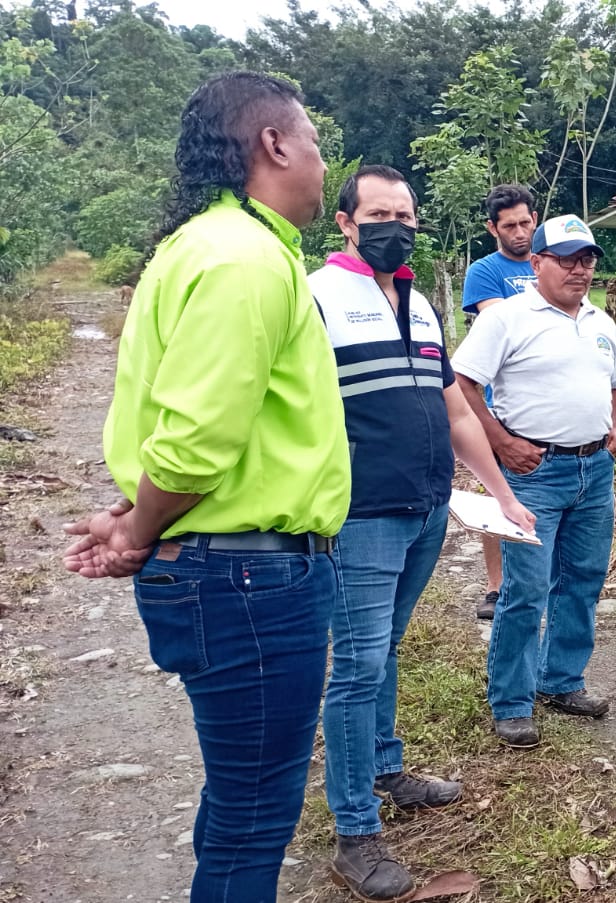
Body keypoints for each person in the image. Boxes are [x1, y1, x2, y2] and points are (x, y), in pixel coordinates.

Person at [63, 72, 348, 903]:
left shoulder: (208, 246)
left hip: (229, 568)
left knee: (239, 805)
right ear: (274, 145)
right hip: (250, 581)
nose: (322, 162)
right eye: (315, 141)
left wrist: (138, 516)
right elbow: (193, 444)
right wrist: (140, 528)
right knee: (254, 821)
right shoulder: (242, 260)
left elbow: (188, 418)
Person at [306, 165, 538, 901]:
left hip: (427, 508)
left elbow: (456, 411)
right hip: (360, 514)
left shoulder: (419, 301)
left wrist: (501, 493)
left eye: (405, 215)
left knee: (386, 649)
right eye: (379, 215)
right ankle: (355, 833)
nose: (395, 227)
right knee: (357, 666)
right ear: (346, 223)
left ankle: (385, 767)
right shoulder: (315, 297)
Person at [451, 213, 616, 748]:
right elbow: (461, 382)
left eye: (587, 259)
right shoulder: (507, 317)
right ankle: (511, 701)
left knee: (582, 580)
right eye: (567, 259)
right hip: (533, 473)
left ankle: (561, 680)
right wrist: (501, 441)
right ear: (537, 263)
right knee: (526, 590)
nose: (580, 269)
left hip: (593, 470)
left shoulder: (600, 321)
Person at [461, 184, 540, 621]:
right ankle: (496, 586)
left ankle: (537, 580)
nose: (519, 232)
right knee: (498, 495)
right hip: (499, 404)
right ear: (493, 228)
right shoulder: (484, 272)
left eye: (525, 222)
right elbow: (504, 324)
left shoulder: (550, 260)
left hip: (546, 403)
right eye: (509, 225)